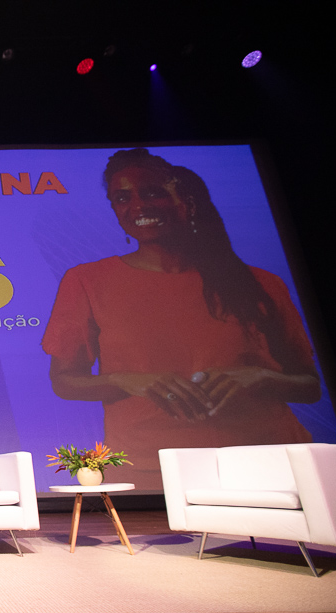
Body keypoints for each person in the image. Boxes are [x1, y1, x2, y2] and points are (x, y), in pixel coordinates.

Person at [41, 148, 320, 488]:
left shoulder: (260, 283)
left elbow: (310, 386)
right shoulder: (87, 281)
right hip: (150, 470)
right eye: (123, 198)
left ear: (186, 200)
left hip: (267, 462)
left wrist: (261, 376)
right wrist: (125, 380)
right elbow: (64, 382)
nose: (138, 206)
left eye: (153, 193)